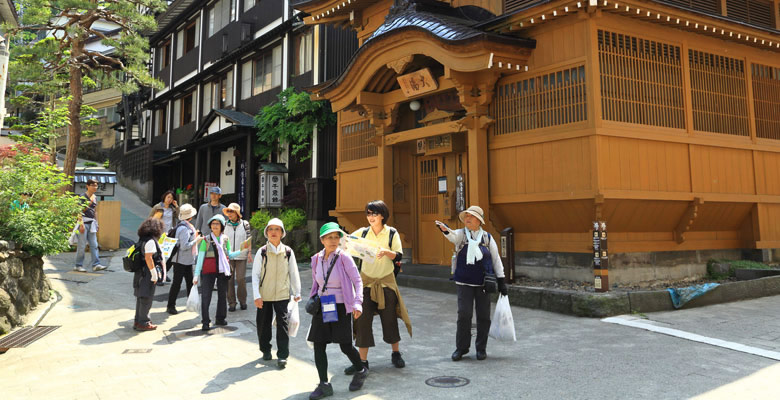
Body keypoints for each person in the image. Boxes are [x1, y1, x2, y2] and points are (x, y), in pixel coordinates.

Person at [347, 200, 412, 375]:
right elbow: (347, 243)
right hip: (366, 283)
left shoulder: (391, 233)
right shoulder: (363, 232)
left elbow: (398, 254)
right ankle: (362, 361)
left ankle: (396, 353)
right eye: (368, 213)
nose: (371, 217)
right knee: (362, 320)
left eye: (374, 213)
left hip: (386, 282)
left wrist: (386, 252)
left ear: (382, 215)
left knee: (390, 318)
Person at [436, 205, 507, 362]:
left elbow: (496, 260)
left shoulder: (487, 238)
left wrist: (501, 281)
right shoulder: (461, 234)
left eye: (471, 216)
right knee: (464, 315)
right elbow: (452, 236)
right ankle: (461, 348)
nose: (468, 218)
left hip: (483, 283)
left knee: (483, 317)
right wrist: (444, 229)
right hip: (464, 282)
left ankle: (481, 348)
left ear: (479, 221)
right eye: (466, 216)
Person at [307, 222, 367, 400]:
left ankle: (361, 369)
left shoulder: (344, 258)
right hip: (324, 304)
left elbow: (358, 281)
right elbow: (316, 283)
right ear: (322, 240)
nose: (333, 240)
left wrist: (358, 303)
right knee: (319, 343)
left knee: (345, 345)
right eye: (329, 237)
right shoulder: (316, 259)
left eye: (336, 237)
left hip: (341, 305)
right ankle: (324, 384)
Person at [251, 218, 301, 369]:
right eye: (271, 229)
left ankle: (282, 355)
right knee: (263, 324)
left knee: (283, 325)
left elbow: (293, 272)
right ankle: (265, 349)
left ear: (282, 233)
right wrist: (256, 295)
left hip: (282, 294)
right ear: (267, 232)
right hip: (264, 294)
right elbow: (255, 275)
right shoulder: (262, 252)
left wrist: (297, 291)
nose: (273, 232)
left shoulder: (288, 252)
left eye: (277, 229)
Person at [193, 214, 247, 331]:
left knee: (222, 295)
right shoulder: (206, 240)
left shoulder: (225, 239)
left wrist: (241, 250)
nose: (215, 226)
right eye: (213, 223)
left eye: (217, 223)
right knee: (206, 297)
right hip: (208, 271)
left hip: (223, 271)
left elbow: (229, 255)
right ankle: (205, 322)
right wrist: (196, 274)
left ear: (222, 226)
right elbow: (200, 257)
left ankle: (220, 319)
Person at [166, 204, 200, 315]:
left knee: (189, 283)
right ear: (190, 217)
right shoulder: (184, 228)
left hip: (186, 260)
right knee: (177, 283)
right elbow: (184, 246)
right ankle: (171, 306)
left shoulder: (186, 226)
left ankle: (190, 303)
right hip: (180, 260)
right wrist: (197, 240)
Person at [133, 218, 166, 331]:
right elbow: (149, 257)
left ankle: (138, 321)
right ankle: (144, 322)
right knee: (146, 297)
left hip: (140, 272)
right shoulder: (151, 241)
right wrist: (154, 274)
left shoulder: (142, 239)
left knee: (140, 297)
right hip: (147, 272)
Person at [223, 203, 251, 311]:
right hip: (228, 256)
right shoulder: (224, 224)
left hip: (241, 255)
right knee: (229, 280)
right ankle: (231, 303)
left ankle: (242, 301)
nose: (229, 214)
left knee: (241, 279)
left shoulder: (245, 224)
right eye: (228, 211)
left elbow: (248, 239)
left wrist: (249, 252)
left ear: (237, 213)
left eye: (232, 211)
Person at [74, 179, 107, 272]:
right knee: (82, 246)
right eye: (93, 185)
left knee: (94, 244)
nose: (95, 187)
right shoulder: (82, 197)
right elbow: (79, 211)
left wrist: (96, 222)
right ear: (87, 186)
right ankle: (78, 265)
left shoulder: (95, 197)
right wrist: (81, 224)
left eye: (96, 185)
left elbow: (95, 211)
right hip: (83, 223)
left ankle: (96, 264)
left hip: (92, 223)